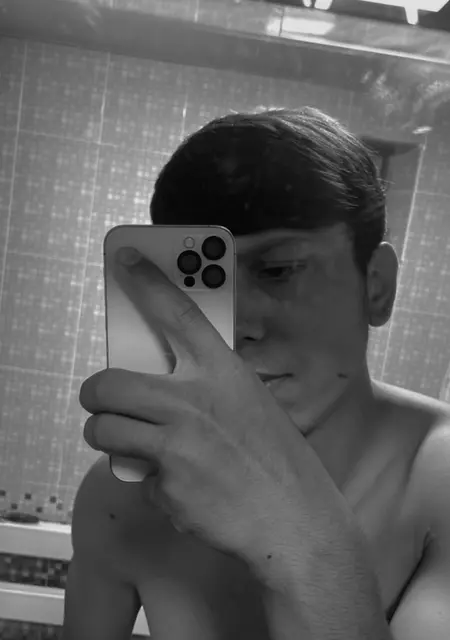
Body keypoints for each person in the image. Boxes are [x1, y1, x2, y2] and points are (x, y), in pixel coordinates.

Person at [62, 108, 450, 640]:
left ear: (376, 286)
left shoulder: (439, 476)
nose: (238, 325)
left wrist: (300, 541)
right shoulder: (120, 495)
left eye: (278, 271)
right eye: (205, 282)